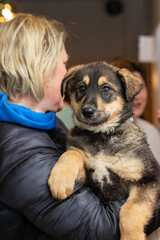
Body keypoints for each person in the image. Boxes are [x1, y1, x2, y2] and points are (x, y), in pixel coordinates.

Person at [0, 14, 159, 240]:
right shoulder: (19, 154)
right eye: (64, 63)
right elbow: (98, 228)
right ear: (39, 66)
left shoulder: (49, 126)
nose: (69, 74)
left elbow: (147, 180)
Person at [110, 58, 160, 162]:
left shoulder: (151, 129)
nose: (136, 96)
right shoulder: (104, 136)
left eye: (140, 87)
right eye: (127, 88)